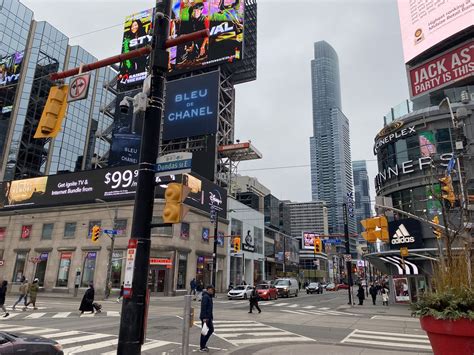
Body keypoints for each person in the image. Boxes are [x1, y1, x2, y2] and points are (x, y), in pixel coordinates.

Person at [199, 285, 215, 352]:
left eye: (213, 290)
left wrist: (211, 317)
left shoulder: (209, 296)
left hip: (208, 317)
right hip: (205, 317)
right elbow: (204, 307)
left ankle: (203, 344)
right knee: (205, 331)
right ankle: (202, 346)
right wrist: (204, 318)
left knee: (209, 330)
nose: (212, 291)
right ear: (208, 289)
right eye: (211, 290)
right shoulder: (206, 297)